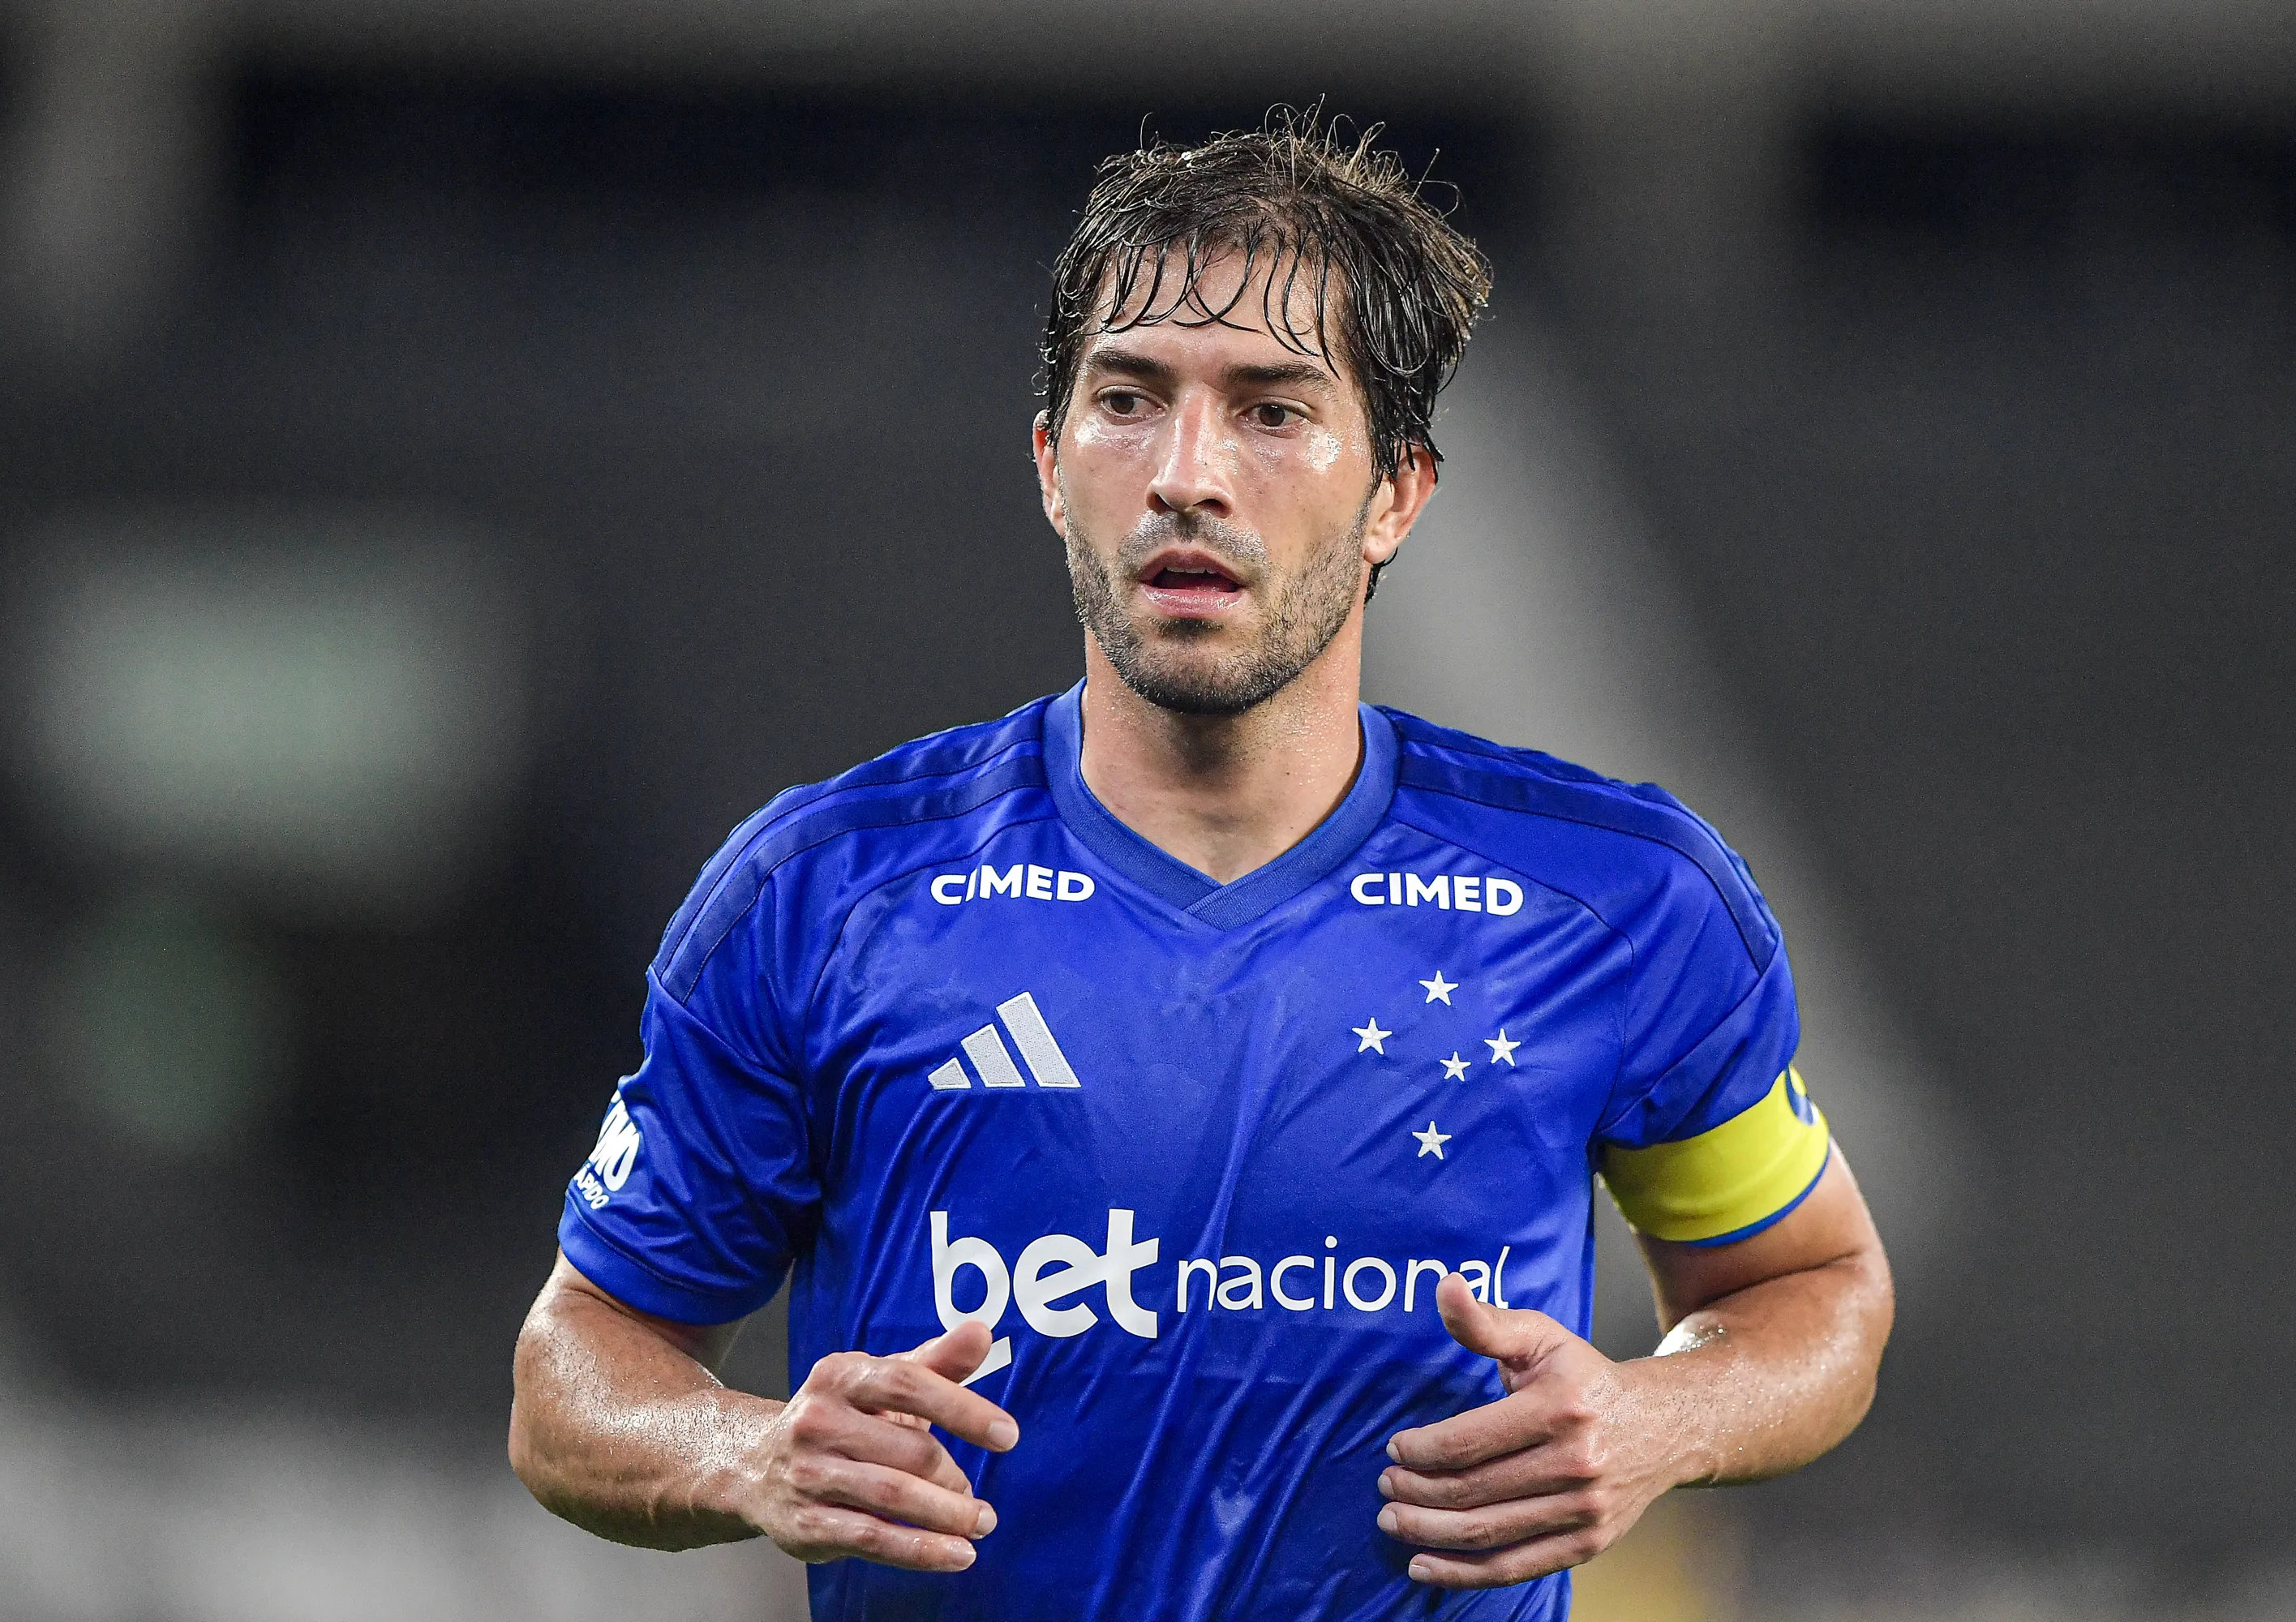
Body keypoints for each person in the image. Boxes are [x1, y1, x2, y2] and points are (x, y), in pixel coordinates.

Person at [508, 113, 1894, 1622]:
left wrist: (1657, 1421)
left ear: (1399, 493)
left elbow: (1812, 1288)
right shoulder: (823, 900)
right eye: (1127, 400)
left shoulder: (1617, 904)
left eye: (1273, 409)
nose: (1186, 474)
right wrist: (749, 1449)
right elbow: (578, 1369)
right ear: (1050, 466)